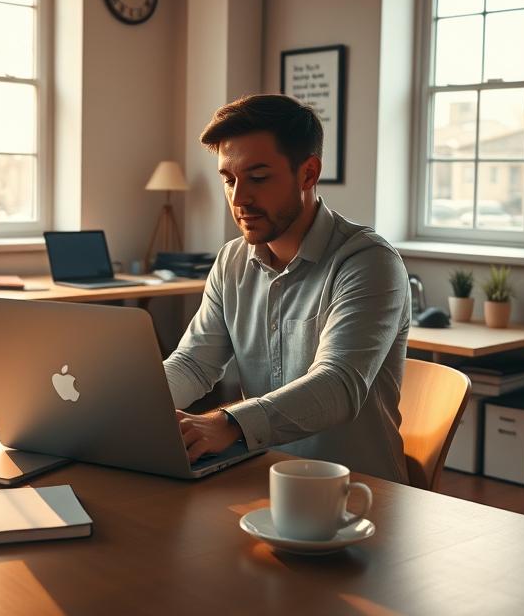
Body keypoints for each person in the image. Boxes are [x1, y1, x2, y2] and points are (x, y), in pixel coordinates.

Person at [163, 94, 410, 482]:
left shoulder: (368, 261)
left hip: (359, 492)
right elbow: (194, 364)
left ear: (308, 174)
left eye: (258, 178)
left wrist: (228, 423)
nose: (239, 198)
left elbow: (337, 384)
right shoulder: (232, 260)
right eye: (229, 180)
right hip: (261, 479)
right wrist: (131, 407)